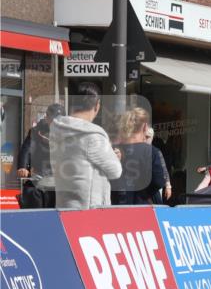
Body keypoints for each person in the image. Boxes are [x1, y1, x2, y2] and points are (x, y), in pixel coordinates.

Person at [49, 82, 122, 210]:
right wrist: (114, 157)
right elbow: (115, 171)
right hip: (90, 209)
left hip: (63, 207)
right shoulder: (93, 136)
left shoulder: (56, 129)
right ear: (97, 105)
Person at [110, 106, 167, 205]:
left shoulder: (115, 150)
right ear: (145, 127)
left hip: (118, 205)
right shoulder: (151, 151)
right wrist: (144, 194)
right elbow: (159, 181)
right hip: (145, 206)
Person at [16, 102, 64, 209]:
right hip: (40, 174)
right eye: (52, 119)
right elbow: (26, 149)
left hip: (61, 178)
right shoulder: (37, 131)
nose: (55, 123)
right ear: (46, 117)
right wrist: (22, 166)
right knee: (33, 196)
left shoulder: (68, 133)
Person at [145, 127, 172, 204]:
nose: (146, 139)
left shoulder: (155, 152)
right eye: (144, 137)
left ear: (152, 138)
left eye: (148, 137)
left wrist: (168, 186)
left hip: (154, 188)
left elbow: (164, 169)